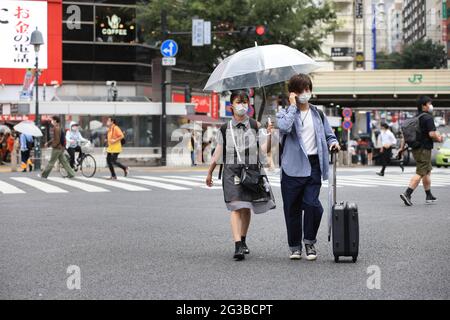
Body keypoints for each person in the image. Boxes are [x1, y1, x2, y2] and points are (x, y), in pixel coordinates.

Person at [205, 90, 276, 261]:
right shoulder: (224, 128)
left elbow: (263, 151)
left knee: (246, 207)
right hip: (231, 171)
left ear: (249, 106)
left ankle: (243, 240)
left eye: (245, 102)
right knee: (236, 206)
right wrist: (210, 172)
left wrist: (271, 136)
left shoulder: (255, 125)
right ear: (231, 106)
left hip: (251, 170)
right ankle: (237, 245)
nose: (242, 105)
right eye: (238, 102)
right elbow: (218, 153)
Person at [276, 74, 340, 261]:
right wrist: (293, 106)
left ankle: (309, 241)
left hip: (314, 166)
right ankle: (295, 247)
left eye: (308, 89)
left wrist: (333, 143)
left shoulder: (318, 114)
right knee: (292, 209)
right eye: (301, 90)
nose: (306, 93)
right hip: (292, 167)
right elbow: (285, 128)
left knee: (313, 205)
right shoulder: (284, 113)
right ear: (293, 93)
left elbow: (329, 135)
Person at [400, 96, 443, 206]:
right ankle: (407, 193)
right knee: (420, 172)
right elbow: (431, 134)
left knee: (427, 171)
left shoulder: (416, 117)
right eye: (429, 103)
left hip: (416, 148)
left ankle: (429, 195)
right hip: (424, 149)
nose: (430, 105)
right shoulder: (427, 117)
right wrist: (439, 138)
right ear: (424, 105)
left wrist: (401, 148)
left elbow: (404, 136)